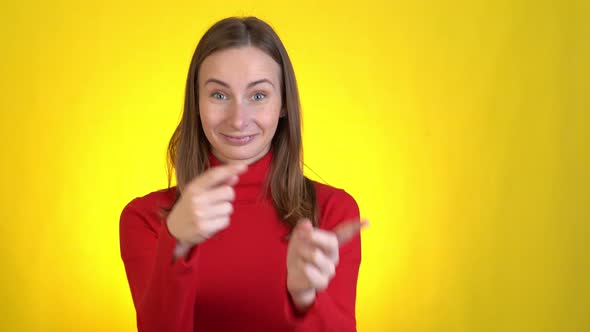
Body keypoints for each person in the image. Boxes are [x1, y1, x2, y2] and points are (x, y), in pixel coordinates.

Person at [119, 16, 368, 332]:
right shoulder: (144, 218)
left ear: (283, 105)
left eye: (258, 95)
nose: (238, 119)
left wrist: (305, 298)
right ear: (196, 103)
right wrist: (176, 244)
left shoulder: (332, 211)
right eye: (219, 95)